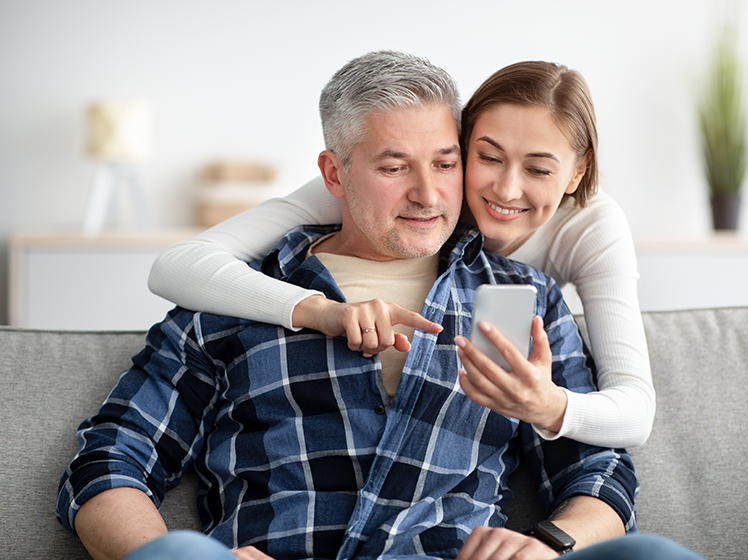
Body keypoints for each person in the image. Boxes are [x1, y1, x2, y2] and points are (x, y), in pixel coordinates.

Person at [58, 51, 638, 560]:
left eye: (444, 162)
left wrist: (549, 543)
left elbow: (601, 468)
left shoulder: (520, 298)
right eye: (393, 167)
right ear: (334, 174)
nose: (429, 194)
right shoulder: (233, 298)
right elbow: (111, 459)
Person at [148, 60, 654, 450]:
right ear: (462, 142)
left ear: (576, 171)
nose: (506, 188)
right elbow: (178, 265)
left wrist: (548, 406)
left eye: (539, 170)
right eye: (487, 157)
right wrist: (321, 310)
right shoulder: (375, 186)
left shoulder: (586, 234)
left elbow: (634, 411)